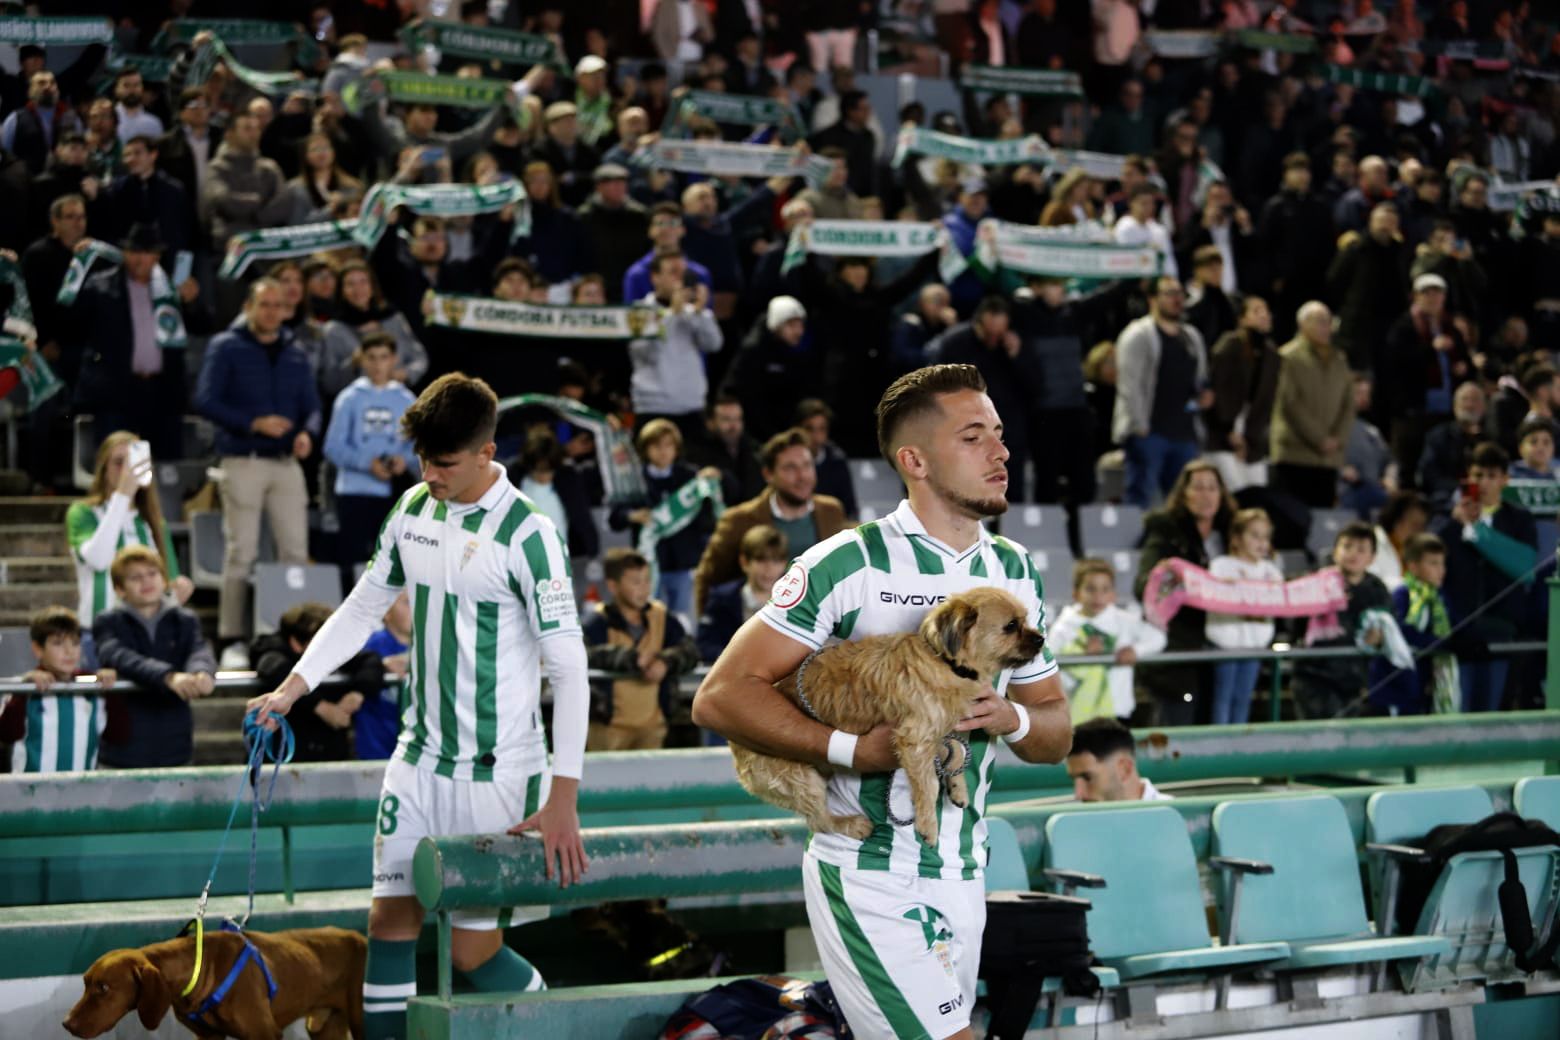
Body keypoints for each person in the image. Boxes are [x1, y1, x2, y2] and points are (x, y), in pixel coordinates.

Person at [693, 364, 1070, 1040]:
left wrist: (1010, 717)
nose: (1001, 451)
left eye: (1001, 435)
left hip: (964, 869)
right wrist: (850, 751)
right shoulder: (848, 562)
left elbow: (1055, 733)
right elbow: (720, 697)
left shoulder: (1015, 572)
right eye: (975, 436)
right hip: (870, 874)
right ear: (915, 460)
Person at [246, 373, 590, 1040]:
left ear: (488, 451)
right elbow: (362, 607)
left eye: (445, 462)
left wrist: (564, 796)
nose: (430, 473)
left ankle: (559, 1025)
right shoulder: (411, 508)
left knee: (471, 954)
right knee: (389, 925)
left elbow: (570, 671)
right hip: (416, 758)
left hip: (496, 771)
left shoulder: (529, 533)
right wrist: (293, 687)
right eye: (423, 460)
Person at [194, 278, 319, 666]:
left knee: (295, 552)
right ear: (249, 306)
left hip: (285, 463)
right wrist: (253, 423)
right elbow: (204, 400)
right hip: (242, 458)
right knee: (242, 551)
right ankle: (231, 639)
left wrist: (307, 434)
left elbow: (312, 405)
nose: (271, 312)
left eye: (278, 305)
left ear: (286, 309)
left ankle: (296, 638)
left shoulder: (296, 351)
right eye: (264, 304)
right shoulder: (225, 346)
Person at [71, 222, 200, 460]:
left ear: (157, 256)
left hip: (162, 391)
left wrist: (191, 302)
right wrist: (81, 266)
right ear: (124, 253)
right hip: (117, 391)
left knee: (161, 469)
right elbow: (72, 321)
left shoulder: (171, 288)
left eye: (147, 252)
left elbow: (202, 325)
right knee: (118, 465)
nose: (140, 259)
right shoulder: (100, 285)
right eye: (134, 252)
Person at [693, 427, 849, 615]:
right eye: (790, 467)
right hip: (757, 628)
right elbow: (707, 579)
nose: (802, 476)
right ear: (768, 474)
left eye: (807, 465)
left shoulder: (831, 511)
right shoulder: (738, 520)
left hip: (821, 628)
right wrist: (710, 630)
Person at [1432, 443, 1538, 713]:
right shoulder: (1448, 522)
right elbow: (1429, 567)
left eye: (1492, 476)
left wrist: (1478, 533)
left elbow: (1526, 568)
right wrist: (1456, 526)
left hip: (1502, 630)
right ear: (1468, 478)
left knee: (1494, 715)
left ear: (1505, 479)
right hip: (1459, 633)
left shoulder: (1520, 520)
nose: (1484, 482)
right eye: (1478, 475)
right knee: (1457, 715)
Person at [94, 545, 216, 768]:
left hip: (176, 747)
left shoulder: (185, 619)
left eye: (152, 574)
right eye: (135, 577)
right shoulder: (108, 621)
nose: (146, 582)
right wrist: (168, 677)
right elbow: (118, 656)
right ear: (120, 589)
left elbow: (199, 649)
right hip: (122, 751)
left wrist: (202, 673)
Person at [1134, 460, 1236, 725]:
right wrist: (1170, 579)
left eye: (1212, 488)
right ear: (1183, 494)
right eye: (1198, 488)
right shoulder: (1166, 530)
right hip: (1178, 648)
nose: (1206, 495)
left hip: (1223, 645)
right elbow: (1144, 587)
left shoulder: (1233, 533)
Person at [67, 432, 193, 634]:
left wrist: (179, 590)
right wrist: (123, 494)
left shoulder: (154, 523)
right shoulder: (83, 513)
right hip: (98, 632)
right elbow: (98, 559)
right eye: (118, 462)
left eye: (132, 463)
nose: (127, 471)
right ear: (103, 468)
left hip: (145, 634)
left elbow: (167, 585)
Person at [583, 548, 700, 751]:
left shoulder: (663, 618)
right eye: (636, 582)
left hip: (655, 728)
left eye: (647, 580)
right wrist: (631, 659)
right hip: (607, 729)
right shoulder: (597, 621)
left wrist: (666, 662)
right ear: (613, 585)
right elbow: (583, 654)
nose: (644, 588)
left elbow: (691, 651)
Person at [323, 332, 419, 568]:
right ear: (362, 360)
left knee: (392, 564)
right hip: (354, 492)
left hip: (393, 493)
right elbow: (332, 447)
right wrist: (368, 463)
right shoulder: (349, 398)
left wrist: (403, 460)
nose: (378, 365)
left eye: (383, 357)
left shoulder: (406, 399)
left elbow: (418, 445)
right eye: (372, 358)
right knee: (352, 561)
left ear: (394, 359)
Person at [1114, 276, 1210, 508]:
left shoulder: (1192, 337)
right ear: (1152, 299)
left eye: (1180, 294)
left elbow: (1199, 377)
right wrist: (1139, 425)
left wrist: (1203, 395)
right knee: (1141, 497)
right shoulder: (1138, 334)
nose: (1177, 299)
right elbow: (1129, 383)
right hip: (1150, 431)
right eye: (1169, 293)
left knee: (1183, 503)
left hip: (1184, 432)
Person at [610, 420, 718, 618]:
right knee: (649, 618)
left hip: (683, 563)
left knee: (682, 619)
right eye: (657, 445)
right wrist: (632, 515)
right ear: (645, 448)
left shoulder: (689, 476)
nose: (663, 451)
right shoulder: (635, 478)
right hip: (647, 566)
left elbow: (707, 514)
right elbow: (615, 518)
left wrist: (712, 481)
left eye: (669, 445)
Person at [252, 603, 384, 762]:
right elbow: (273, 667)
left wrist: (358, 693)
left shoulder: (336, 651)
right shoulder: (272, 651)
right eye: (322, 643)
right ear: (296, 643)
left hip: (330, 758)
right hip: (280, 761)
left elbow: (370, 661)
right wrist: (321, 707)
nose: (332, 648)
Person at [1291, 521, 1393, 720]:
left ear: (1372, 558)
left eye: (1361, 549)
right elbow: (1298, 626)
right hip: (1314, 678)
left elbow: (1389, 624)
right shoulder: (1315, 582)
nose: (1353, 554)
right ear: (1335, 551)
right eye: (1347, 546)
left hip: (1355, 682)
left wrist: (1380, 637)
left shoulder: (1378, 590)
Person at [1049, 558, 1166, 725]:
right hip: (1078, 714)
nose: (1098, 596)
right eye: (1090, 589)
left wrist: (1135, 650)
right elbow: (1053, 671)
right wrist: (1082, 658)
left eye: (1105, 589)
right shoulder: (1063, 628)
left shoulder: (1124, 621)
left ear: (1113, 594)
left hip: (1118, 711)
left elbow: (1158, 638)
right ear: (1075, 593)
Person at [0, 607, 116, 773]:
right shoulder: (25, 685)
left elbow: (118, 735)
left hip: (80, 790)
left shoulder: (88, 682)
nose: (69, 652)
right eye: (58, 643)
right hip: (31, 792)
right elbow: (6, 734)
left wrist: (108, 682)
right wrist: (22, 693)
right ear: (38, 649)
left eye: (75, 643)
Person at [629, 253, 723, 443]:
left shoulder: (692, 312)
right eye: (673, 272)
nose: (680, 279)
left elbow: (714, 344)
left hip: (692, 410)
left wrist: (698, 313)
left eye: (683, 272)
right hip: (654, 410)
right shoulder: (639, 311)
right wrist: (671, 315)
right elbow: (645, 354)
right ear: (654, 277)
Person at [1270, 301, 1354, 508]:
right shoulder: (1287, 357)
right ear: (1302, 324)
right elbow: (1290, 402)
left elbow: (1349, 403)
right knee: (1293, 517)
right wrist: (1319, 439)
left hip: (1328, 458)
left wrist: (1337, 439)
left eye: (1328, 321)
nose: (1327, 327)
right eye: (1320, 322)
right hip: (1295, 454)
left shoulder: (1339, 359)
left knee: (1322, 520)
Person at [1369, 533, 1460, 716]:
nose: (1441, 570)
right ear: (1413, 566)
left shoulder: (1441, 598)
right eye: (1433, 563)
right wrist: (1440, 644)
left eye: (1442, 564)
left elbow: (1455, 626)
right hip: (1397, 681)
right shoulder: (1401, 595)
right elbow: (1400, 631)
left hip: (1428, 679)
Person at [1206, 508, 1282, 725]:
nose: (1261, 543)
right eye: (1254, 535)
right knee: (1222, 697)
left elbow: (1279, 600)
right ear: (1237, 539)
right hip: (1225, 645)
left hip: (1254, 646)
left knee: (1242, 697)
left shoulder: (1271, 571)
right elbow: (1212, 594)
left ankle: (1237, 747)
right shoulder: (1221, 566)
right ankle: (1219, 746)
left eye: (1265, 537)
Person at [320, 260, 428, 398]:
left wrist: (405, 374)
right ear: (341, 291)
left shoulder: (393, 319)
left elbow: (419, 357)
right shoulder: (334, 330)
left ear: (372, 287)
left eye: (363, 282)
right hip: (358, 404)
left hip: (397, 398)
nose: (358, 289)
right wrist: (353, 363)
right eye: (350, 284)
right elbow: (329, 383)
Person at [1205, 295, 1279, 493]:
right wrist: (1228, 429)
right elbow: (1216, 390)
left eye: (1266, 310)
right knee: (1234, 491)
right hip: (1221, 437)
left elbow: (1267, 403)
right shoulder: (1230, 345)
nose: (1264, 315)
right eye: (1256, 311)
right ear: (1242, 319)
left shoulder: (1272, 355)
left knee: (1258, 496)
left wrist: (1250, 438)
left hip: (1252, 441)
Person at [696, 525, 789, 664]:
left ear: (785, 564)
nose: (769, 569)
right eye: (761, 560)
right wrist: (739, 660)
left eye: (776, 561)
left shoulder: (795, 602)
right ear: (744, 562)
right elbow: (705, 645)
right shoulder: (722, 599)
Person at [356, 593, 411, 762]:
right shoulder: (371, 645)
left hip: (417, 747)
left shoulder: (432, 644)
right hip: (377, 748)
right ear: (386, 612)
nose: (416, 607)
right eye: (407, 602)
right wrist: (377, 665)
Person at [683, 395, 765, 507]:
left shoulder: (754, 449)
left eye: (738, 419)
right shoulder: (696, 452)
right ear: (710, 423)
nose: (733, 426)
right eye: (726, 419)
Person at [1065, 718, 1173, 802]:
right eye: (1074, 780)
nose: (1079, 794)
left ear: (1125, 769)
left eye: (1087, 778)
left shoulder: (1178, 819)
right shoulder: (1076, 825)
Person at [1340, 374, 1395, 519]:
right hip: (1347, 491)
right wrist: (1340, 469)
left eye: (1367, 393)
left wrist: (1390, 477)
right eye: (1358, 393)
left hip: (1374, 490)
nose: (1364, 398)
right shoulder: (1333, 426)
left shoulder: (1370, 430)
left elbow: (1389, 460)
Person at [796, 399, 858, 521]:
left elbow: (849, 507)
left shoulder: (837, 461)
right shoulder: (786, 459)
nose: (816, 436)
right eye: (809, 429)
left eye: (822, 429)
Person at [1370, 491, 1429, 591]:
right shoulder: (1371, 541)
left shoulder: (1416, 549)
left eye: (1422, 526)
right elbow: (1373, 581)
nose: (1419, 531)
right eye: (1414, 524)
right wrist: (1411, 585)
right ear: (1396, 520)